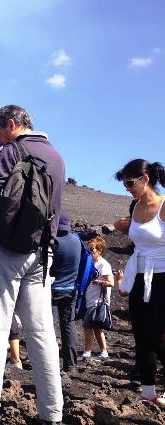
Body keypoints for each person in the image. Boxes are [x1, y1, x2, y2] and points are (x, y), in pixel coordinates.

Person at [0, 105, 65, 425]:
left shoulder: (11, 150)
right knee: (42, 333)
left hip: (5, 252)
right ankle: (52, 414)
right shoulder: (57, 157)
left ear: (13, 124)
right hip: (42, 255)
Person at [113, 159, 165, 405]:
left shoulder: (164, 206)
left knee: (157, 336)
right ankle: (147, 392)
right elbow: (139, 237)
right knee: (141, 334)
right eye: (124, 184)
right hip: (140, 276)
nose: (127, 188)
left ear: (146, 179)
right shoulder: (134, 206)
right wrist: (123, 227)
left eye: (130, 183)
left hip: (163, 278)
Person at [50, 212, 81, 372]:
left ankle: (51, 363)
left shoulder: (53, 242)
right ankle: (70, 365)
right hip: (71, 290)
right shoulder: (77, 241)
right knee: (68, 326)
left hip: (52, 290)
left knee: (50, 327)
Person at [81, 236, 114, 360]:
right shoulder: (90, 262)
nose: (90, 252)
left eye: (92, 249)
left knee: (88, 325)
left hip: (98, 300)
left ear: (99, 250)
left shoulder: (103, 265)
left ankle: (88, 351)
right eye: (89, 249)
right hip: (90, 297)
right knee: (95, 327)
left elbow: (111, 283)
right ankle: (103, 352)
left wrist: (98, 282)